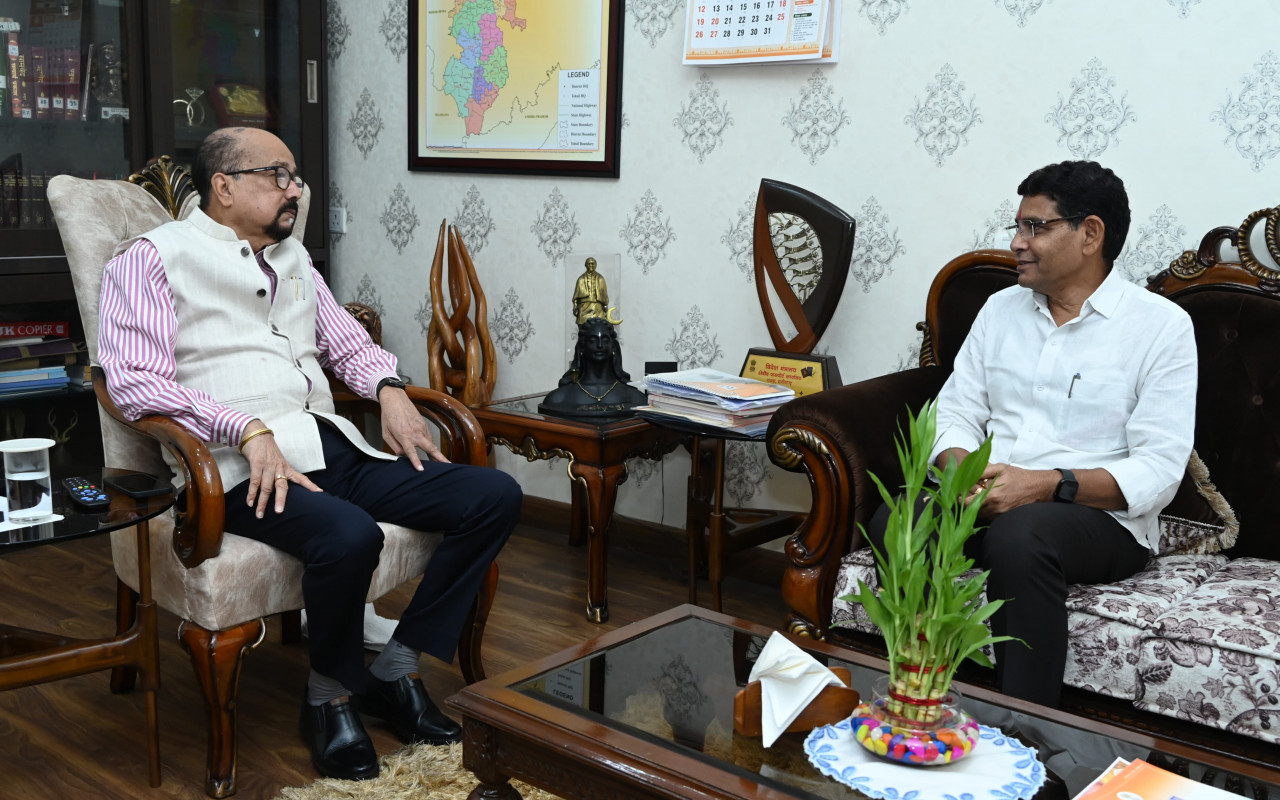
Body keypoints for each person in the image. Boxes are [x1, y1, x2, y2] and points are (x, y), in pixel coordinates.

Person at [97, 127, 523, 781]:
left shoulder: (294, 258)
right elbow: (133, 383)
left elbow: (348, 346)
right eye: (277, 175)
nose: (294, 189)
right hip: (233, 470)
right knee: (349, 535)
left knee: (491, 496)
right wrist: (243, 426)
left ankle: (396, 668)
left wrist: (389, 391)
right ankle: (328, 697)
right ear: (223, 185)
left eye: (295, 176)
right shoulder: (153, 259)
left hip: (329, 444)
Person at [867, 160, 1197, 707]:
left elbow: (1159, 468)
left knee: (1021, 535)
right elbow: (955, 411)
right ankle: (919, 696)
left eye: (1036, 227)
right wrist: (962, 472)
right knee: (901, 516)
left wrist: (1045, 484)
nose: (1018, 242)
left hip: (1097, 520)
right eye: (1018, 226)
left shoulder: (1160, 327)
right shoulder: (1000, 310)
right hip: (984, 499)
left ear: (1090, 234)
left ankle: (1026, 728)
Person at [538, 316, 646, 417]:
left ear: (613, 348)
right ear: (581, 348)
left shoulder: (635, 398)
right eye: (593, 340)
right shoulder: (558, 399)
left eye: (605, 340)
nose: (600, 345)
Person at [572, 256, 608, 326]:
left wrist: (605, 305)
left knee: (598, 325)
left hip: (597, 307)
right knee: (582, 326)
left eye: (593, 264)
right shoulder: (581, 279)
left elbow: (604, 294)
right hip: (584, 306)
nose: (591, 265)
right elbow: (576, 296)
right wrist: (575, 307)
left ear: (595, 265)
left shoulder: (601, 278)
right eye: (589, 264)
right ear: (586, 265)